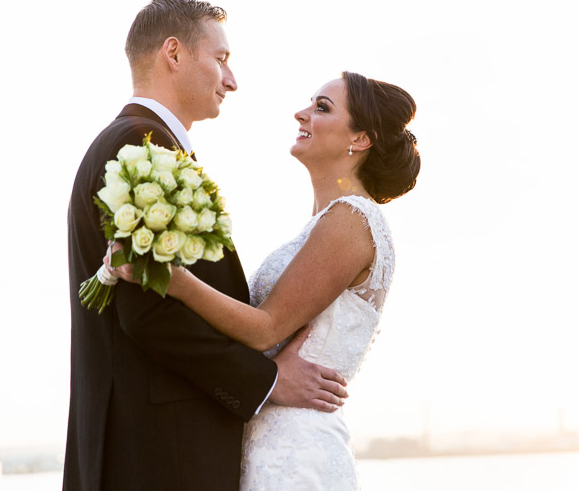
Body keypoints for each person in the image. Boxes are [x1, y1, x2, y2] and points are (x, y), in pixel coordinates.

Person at [64, 0, 349, 491]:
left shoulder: (141, 144)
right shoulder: (140, 146)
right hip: (159, 454)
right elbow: (149, 310)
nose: (232, 80)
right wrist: (266, 380)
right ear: (172, 53)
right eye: (221, 60)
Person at [106, 71, 420, 490]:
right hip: (265, 440)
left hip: (296, 453)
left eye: (321, 108)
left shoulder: (352, 219)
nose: (301, 113)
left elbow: (265, 329)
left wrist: (172, 278)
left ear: (361, 139)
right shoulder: (323, 225)